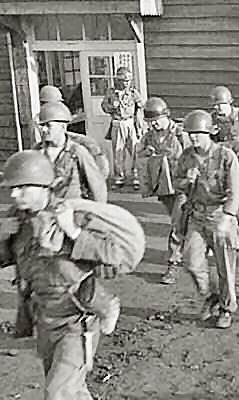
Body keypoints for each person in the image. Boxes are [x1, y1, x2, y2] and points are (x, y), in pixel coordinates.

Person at [0, 151, 143, 399]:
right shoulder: (16, 221)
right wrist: (2, 238)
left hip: (76, 321)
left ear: (44, 186)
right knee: (70, 391)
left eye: (22, 188)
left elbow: (116, 256)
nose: (13, 194)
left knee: (58, 393)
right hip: (43, 318)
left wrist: (74, 233)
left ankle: (108, 305)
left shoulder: (71, 214)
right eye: (12, 188)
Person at [175, 110, 239, 329]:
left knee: (225, 268)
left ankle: (226, 308)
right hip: (196, 215)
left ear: (209, 133)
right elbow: (177, 183)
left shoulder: (225, 156)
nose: (193, 137)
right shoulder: (186, 156)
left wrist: (228, 217)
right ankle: (210, 295)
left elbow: (236, 190)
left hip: (219, 215)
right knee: (191, 262)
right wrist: (187, 180)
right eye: (190, 134)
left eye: (198, 133)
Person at [137, 97, 188, 285]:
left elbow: (195, 156)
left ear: (166, 115)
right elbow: (139, 153)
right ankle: (194, 249)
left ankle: (173, 264)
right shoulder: (149, 136)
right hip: (164, 187)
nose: (154, 125)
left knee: (177, 224)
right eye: (150, 122)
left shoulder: (181, 133)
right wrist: (147, 153)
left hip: (183, 186)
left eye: (156, 120)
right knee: (183, 223)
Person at [35, 102, 108, 203]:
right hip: (45, 212)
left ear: (63, 127)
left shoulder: (77, 152)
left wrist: (97, 211)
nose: (43, 129)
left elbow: (97, 186)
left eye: (48, 125)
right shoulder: (37, 153)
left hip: (72, 210)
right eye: (42, 125)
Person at [101, 66, 144, 189]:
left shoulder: (133, 93)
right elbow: (104, 107)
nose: (126, 83)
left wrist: (139, 126)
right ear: (118, 80)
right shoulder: (111, 92)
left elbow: (140, 108)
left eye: (128, 80)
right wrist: (112, 107)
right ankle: (119, 177)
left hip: (130, 122)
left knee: (136, 150)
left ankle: (136, 176)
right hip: (117, 122)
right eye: (124, 80)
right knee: (118, 152)